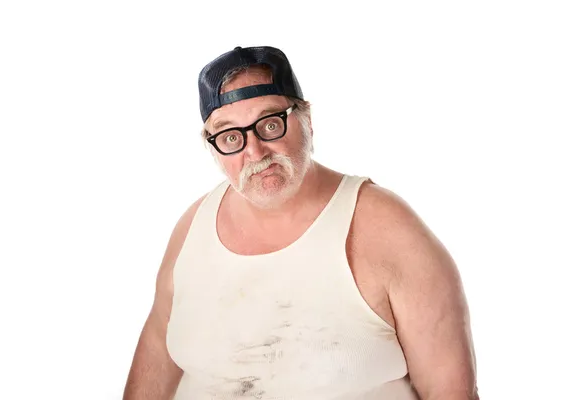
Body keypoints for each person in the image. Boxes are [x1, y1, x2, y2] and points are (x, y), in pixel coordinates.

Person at [122, 45, 479, 400]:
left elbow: (450, 390)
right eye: (231, 136)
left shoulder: (387, 230)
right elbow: (158, 346)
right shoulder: (192, 229)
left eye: (270, 123)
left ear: (306, 119)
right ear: (213, 147)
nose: (255, 152)